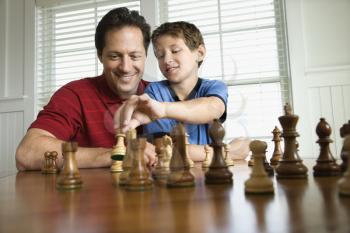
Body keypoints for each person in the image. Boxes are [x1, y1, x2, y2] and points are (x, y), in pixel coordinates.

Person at [15, 7, 157, 170]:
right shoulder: (73, 95)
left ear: (145, 55)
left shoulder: (161, 96)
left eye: (134, 56)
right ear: (100, 55)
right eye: (114, 56)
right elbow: (27, 152)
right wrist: (118, 154)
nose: (125, 67)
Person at [115, 21, 250, 161]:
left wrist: (164, 110)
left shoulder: (214, 87)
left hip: (207, 176)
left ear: (200, 53)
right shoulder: (154, 92)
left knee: (246, 142)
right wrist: (224, 152)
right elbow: (167, 150)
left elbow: (212, 109)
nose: (167, 59)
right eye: (160, 55)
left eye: (175, 51)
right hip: (169, 176)